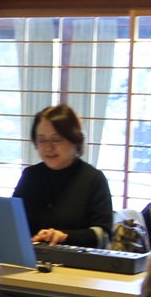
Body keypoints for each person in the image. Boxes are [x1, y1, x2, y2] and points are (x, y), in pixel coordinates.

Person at [13, 104, 114, 247]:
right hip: (32, 259)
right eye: (41, 140)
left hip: (76, 263)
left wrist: (64, 236)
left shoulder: (93, 179)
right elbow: (13, 221)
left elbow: (102, 235)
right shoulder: (31, 176)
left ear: (74, 139)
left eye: (56, 139)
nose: (48, 147)